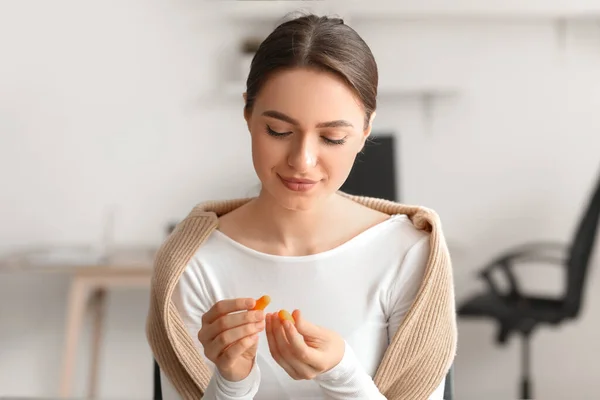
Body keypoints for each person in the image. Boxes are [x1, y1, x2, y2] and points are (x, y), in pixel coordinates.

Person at [146, 14, 456, 400]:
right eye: (279, 131)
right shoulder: (191, 264)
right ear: (247, 114)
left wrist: (343, 373)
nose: (302, 160)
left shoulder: (409, 252)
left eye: (332, 137)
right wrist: (231, 383)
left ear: (365, 130)